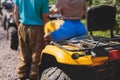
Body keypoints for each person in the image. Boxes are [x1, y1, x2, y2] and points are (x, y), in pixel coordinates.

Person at [13, 0, 49, 80]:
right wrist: (47, 32)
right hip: (37, 28)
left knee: (23, 53)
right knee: (36, 55)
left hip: (22, 26)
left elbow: (15, 12)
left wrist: (19, 26)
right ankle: (33, 76)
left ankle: (21, 75)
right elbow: (45, 17)